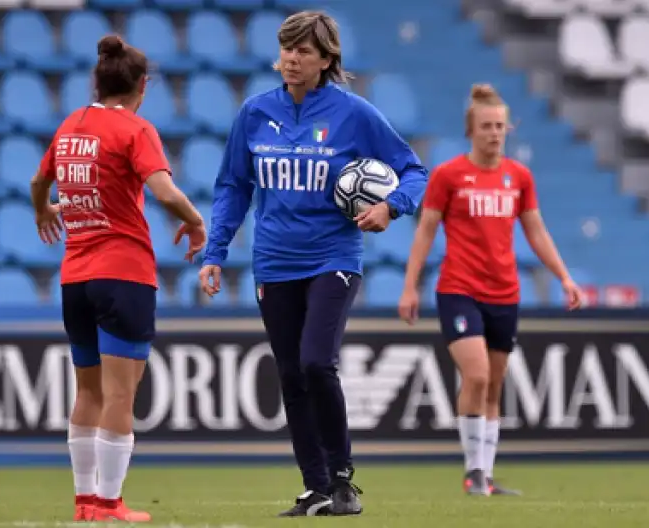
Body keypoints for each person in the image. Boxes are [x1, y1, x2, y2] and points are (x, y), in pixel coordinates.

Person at [198, 10, 427, 517]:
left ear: (327, 59)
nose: (291, 59)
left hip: (333, 256)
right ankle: (315, 487)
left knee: (316, 362)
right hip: (274, 263)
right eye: (286, 48)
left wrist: (391, 207)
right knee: (290, 375)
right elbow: (234, 187)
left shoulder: (355, 114)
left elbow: (414, 171)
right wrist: (215, 252)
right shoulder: (256, 113)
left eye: (303, 51)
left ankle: (343, 478)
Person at [30, 35, 206, 522]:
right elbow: (164, 191)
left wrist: (43, 210)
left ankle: (85, 502)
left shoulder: (71, 126)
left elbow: (37, 181)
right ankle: (110, 503)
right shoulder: (134, 129)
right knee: (121, 394)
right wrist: (194, 220)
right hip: (123, 274)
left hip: (75, 278)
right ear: (142, 86)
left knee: (86, 392)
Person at [397, 84, 583, 497]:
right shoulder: (448, 175)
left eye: (500, 126)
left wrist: (564, 276)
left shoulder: (518, 177)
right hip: (459, 288)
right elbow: (426, 230)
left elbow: (535, 230)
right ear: (471, 130)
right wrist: (410, 286)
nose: (495, 133)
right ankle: (472, 473)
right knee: (477, 375)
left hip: (505, 292)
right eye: (487, 126)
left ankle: (486, 474)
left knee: (495, 385)